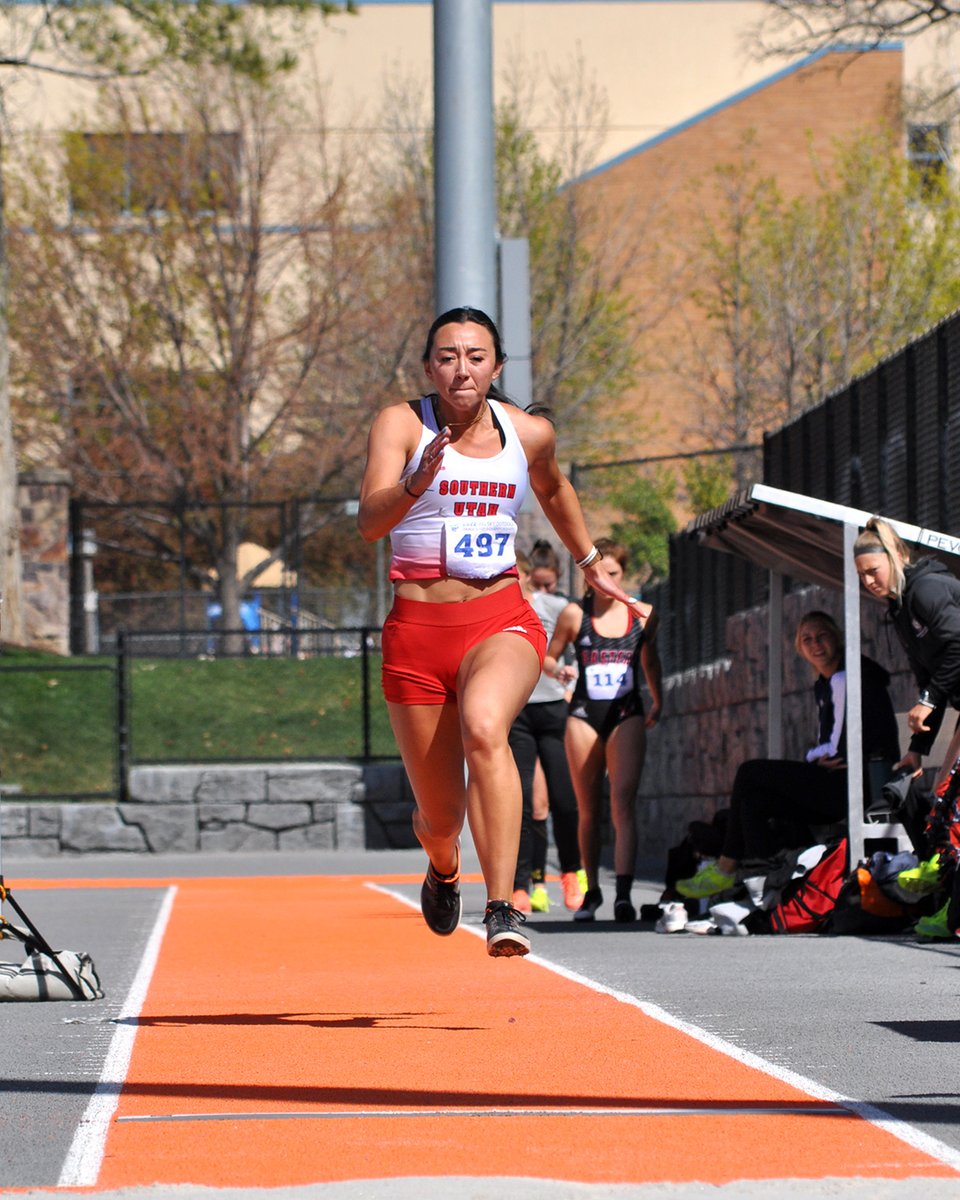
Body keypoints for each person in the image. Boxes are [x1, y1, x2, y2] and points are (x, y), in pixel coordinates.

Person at [357, 306, 644, 957]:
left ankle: (503, 904)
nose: (462, 368)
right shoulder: (401, 424)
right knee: (439, 818)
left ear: (497, 366)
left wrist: (588, 559)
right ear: (430, 366)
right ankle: (444, 865)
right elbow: (370, 523)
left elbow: (553, 486)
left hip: (499, 617)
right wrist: (414, 484)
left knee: (487, 727)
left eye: (476, 356)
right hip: (417, 631)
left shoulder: (528, 433)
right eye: (449, 356)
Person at [675, 610, 900, 899]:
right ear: (799, 648)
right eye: (807, 640)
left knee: (749, 771)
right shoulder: (825, 682)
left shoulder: (848, 676)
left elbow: (839, 745)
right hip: (837, 779)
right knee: (754, 800)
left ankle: (726, 867)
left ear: (837, 638)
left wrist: (815, 757)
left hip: (858, 784)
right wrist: (819, 757)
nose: (816, 644)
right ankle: (762, 881)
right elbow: (830, 743)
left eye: (822, 636)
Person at [544, 538, 662, 923]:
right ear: (587, 576)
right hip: (583, 714)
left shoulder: (642, 614)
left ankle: (624, 894)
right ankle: (592, 891)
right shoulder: (574, 615)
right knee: (588, 808)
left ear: (623, 575)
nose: (605, 582)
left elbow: (650, 661)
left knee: (622, 803)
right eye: (598, 575)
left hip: (626, 712)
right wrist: (556, 670)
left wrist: (658, 698)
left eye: (613, 574)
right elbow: (547, 654)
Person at [853, 517, 960, 937]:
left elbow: (957, 643)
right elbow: (927, 679)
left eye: (873, 571)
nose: (868, 581)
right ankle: (949, 900)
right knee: (939, 793)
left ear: (897, 556)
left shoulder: (926, 589)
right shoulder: (900, 609)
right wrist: (917, 748)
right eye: (861, 575)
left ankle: (946, 892)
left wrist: (929, 700)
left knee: (950, 799)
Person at [508, 541, 585, 914]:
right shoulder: (501, 611)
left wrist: (567, 679)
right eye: (531, 582)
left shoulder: (559, 608)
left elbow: (558, 653)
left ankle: (572, 871)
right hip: (518, 711)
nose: (539, 591)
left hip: (553, 708)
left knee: (564, 799)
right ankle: (521, 883)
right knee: (523, 800)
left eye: (546, 584)